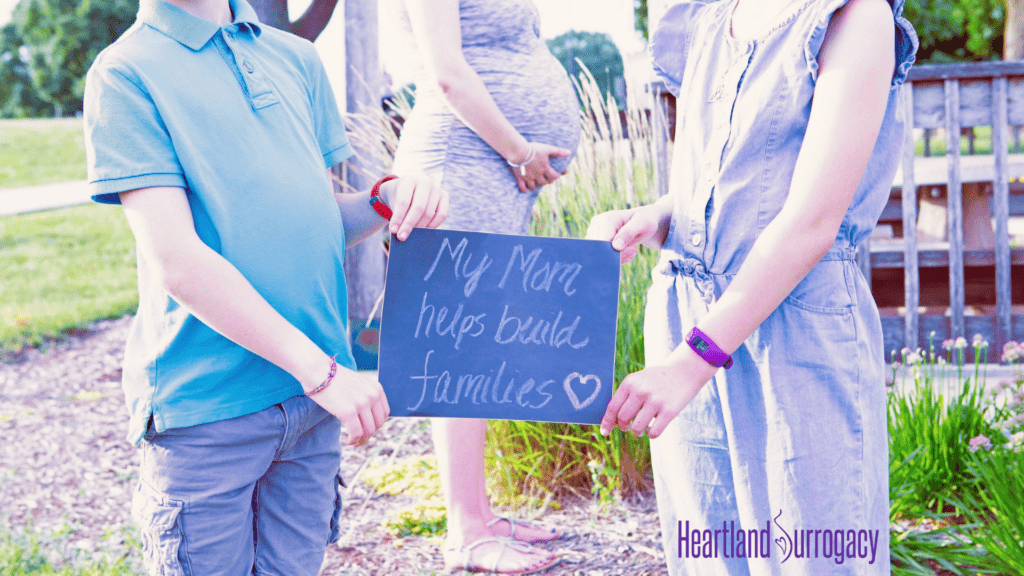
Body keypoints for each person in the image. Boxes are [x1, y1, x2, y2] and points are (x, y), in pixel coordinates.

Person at [82, 0, 447, 574]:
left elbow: (318, 216)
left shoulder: (296, 58)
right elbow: (177, 261)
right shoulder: (125, 72)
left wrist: (383, 200)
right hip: (209, 411)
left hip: (312, 406)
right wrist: (324, 373)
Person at [586, 0, 916, 574]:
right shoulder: (711, 19)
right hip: (689, 319)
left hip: (793, 329)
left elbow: (811, 221)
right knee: (712, 553)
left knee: (816, 555)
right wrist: (657, 217)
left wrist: (692, 362)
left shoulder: (855, 18)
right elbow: (727, 184)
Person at [388, 0, 581, 572]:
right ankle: (466, 530)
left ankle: (480, 511)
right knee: (458, 346)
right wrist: (519, 152)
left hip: (490, 161)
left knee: (482, 338)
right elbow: (447, 73)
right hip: (463, 156)